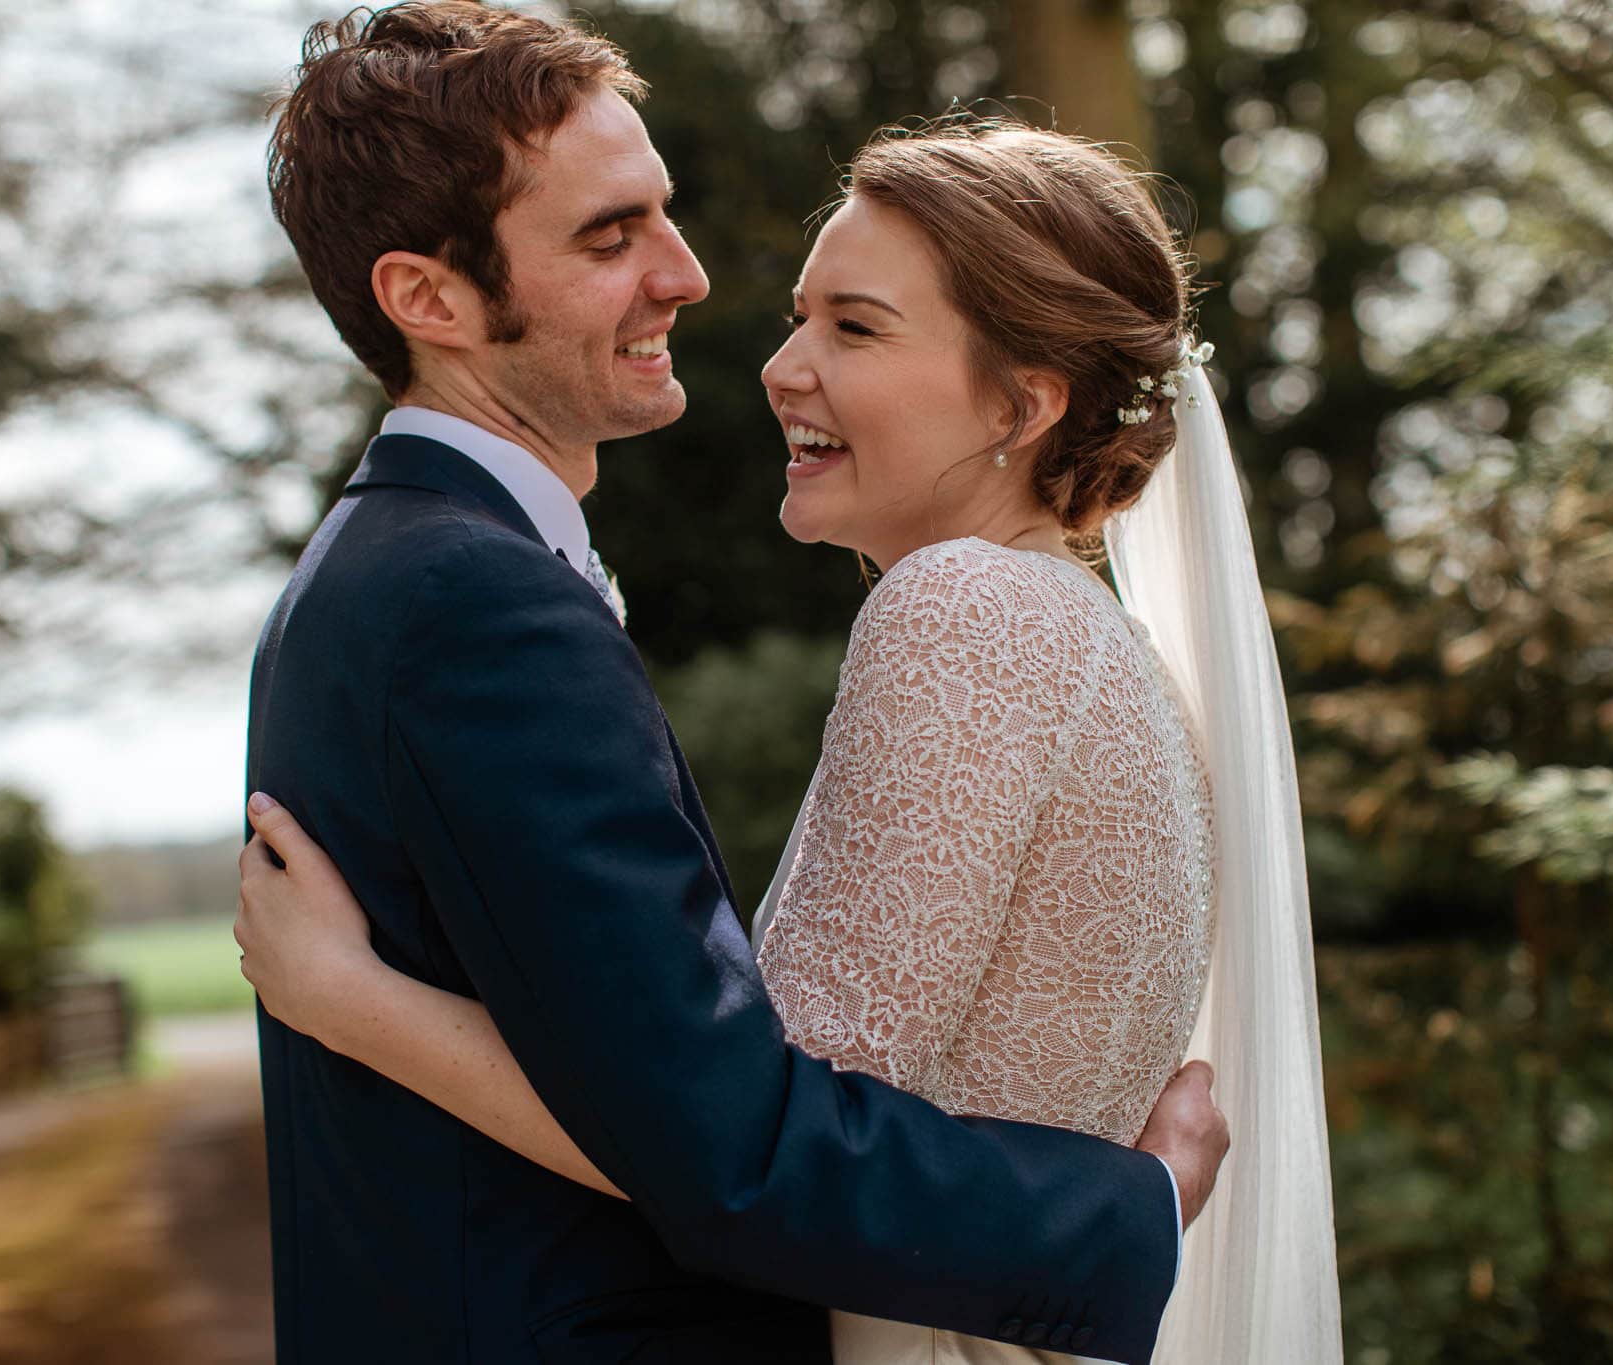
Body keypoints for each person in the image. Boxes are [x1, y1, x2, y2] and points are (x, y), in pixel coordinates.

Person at [240, 5, 1231, 1363]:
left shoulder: (404, 575)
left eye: (855, 325)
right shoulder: (466, 594)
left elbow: (731, 1129)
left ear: (1024, 402)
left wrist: (360, 1004)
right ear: (429, 299)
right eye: (611, 234)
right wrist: (1135, 1212)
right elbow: (731, 1136)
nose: (694, 278)